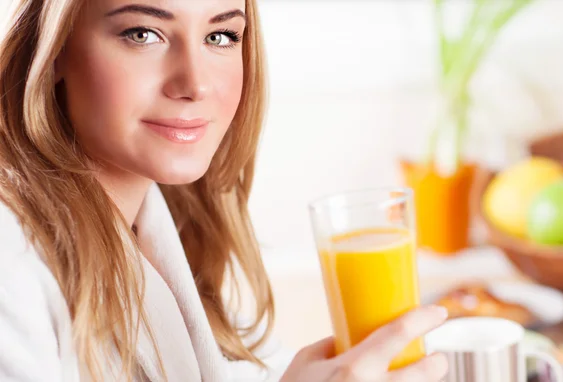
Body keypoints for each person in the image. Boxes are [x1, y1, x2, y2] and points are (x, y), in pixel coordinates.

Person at [0, 0, 449, 381]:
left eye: (220, 37)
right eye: (142, 34)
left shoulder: (177, 234)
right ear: (54, 48)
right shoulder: (10, 255)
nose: (195, 84)